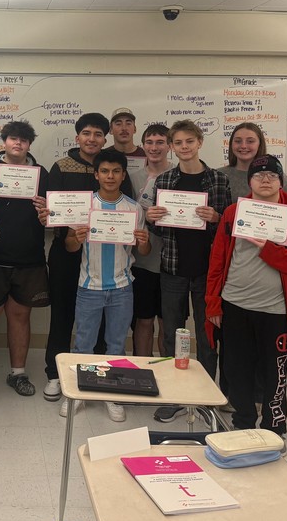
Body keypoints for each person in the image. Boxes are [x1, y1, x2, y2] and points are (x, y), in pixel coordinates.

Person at [205, 155, 287, 436]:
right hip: (235, 304)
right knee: (236, 370)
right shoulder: (234, 212)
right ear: (250, 181)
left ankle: (274, 426)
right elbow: (218, 260)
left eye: (272, 175)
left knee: (274, 374)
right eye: (259, 175)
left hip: (276, 310)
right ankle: (242, 423)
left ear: (281, 181)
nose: (265, 180)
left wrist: (271, 249)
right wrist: (214, 303)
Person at [41, 112, 132, 402]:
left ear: (105, 138)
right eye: (87, 134)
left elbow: (126, 209)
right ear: (77, 137)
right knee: (63, 315)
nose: (92, 139)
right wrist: (48, 216)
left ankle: (104, 380)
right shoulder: (61, 166)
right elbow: (50, 208)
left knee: (104, 322)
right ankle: (55, 374)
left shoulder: (113, 166)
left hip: (105, 256)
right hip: (67, 252)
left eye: (98, 134)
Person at [146, 119, 231, 421]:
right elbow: (156, 229)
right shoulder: (165, 181)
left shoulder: (218, 181)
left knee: (208, 339)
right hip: (172, 269)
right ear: (171, 147)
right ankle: (174, 395)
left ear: (199, 143)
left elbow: (229, 230)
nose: (184, 147)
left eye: (189, 142)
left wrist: (217, 217)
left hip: (207, 273)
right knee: (172, 335)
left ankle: (205, 399)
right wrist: (152, 218)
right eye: (178, 143)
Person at [63, 148, 149, 422]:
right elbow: (69, 246)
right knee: (83, 344)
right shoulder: (84, 205)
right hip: (89, 287)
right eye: (104, 171)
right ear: (96, 174)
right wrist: (76, 237)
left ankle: (112, 394)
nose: (110, 176)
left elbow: (142, 252)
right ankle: (77, 394)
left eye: (115, 171)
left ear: (123, 175)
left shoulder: (134, 209)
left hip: (122, 287)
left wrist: (145, 243)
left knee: (115, 345)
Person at [0, 121, 49, 397]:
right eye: (13, 139)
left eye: (23, 140)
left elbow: (52, 214)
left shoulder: (41, 174)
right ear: (4, 142)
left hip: (28, 257)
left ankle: (17, 373)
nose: (17, 144)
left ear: (29, 145)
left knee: (20, 316)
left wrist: (46, 209)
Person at [128, 123, 171, 356]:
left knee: (168, 323)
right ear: (143, 145)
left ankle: (166, 376)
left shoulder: (180, 176)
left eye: (160, 142)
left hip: (172, 264)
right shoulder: (132, 179)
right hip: (141, 263)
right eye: (150, 142)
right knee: (143, 321)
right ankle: (141, 370)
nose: (154, 148)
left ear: (169, 146)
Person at [218, 122, 287, 200]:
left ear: (260, 144)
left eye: (250, 141)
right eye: (238, 141)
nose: (243, 146)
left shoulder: (275, 177)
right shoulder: (218, 176)